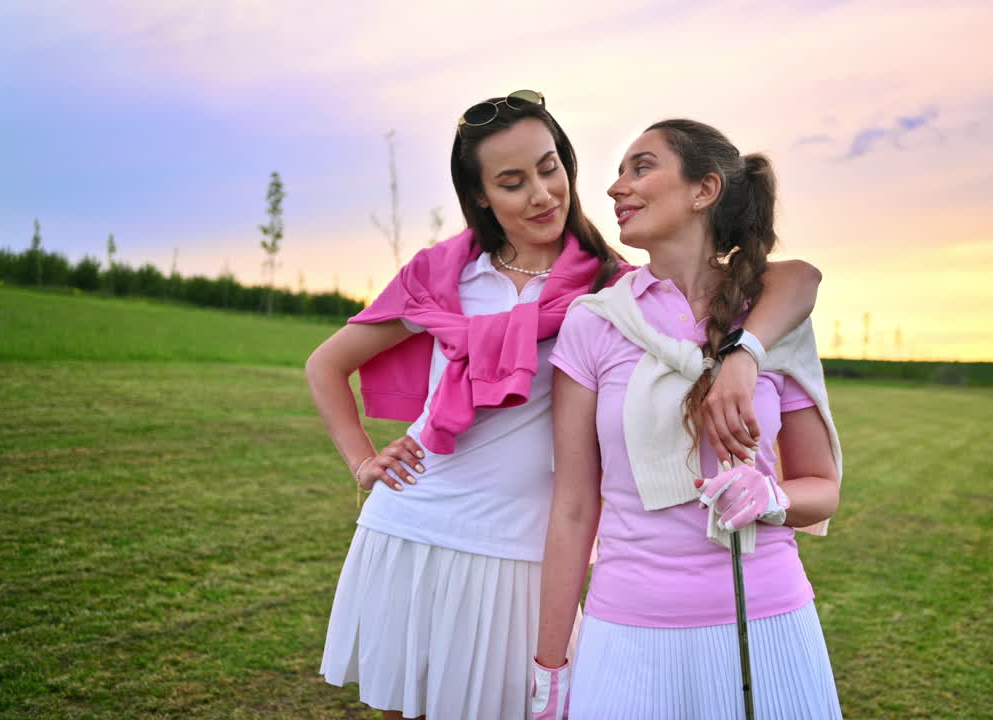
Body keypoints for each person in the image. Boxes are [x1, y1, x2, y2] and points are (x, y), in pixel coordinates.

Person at [305, 92, 823, 720]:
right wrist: (363, 462)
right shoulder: (442, 274)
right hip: (416, 522)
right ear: (481, 197)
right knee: (406, 709)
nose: (542, 194)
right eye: (512, 181)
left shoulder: (610, 288)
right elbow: (326, 364)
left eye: (550, 168)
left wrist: (743, 351)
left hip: (521, 543)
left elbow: (793, 280)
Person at [533, 118, 844, 719]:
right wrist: (550, 668)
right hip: (627, 632)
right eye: (620, 171)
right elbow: (573, 508)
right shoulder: (593, 322)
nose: (616, 187)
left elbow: (824, 489)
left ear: (703, 191)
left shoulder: (771, 317)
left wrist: (771, 496)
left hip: (769, 621)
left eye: (641, 167)